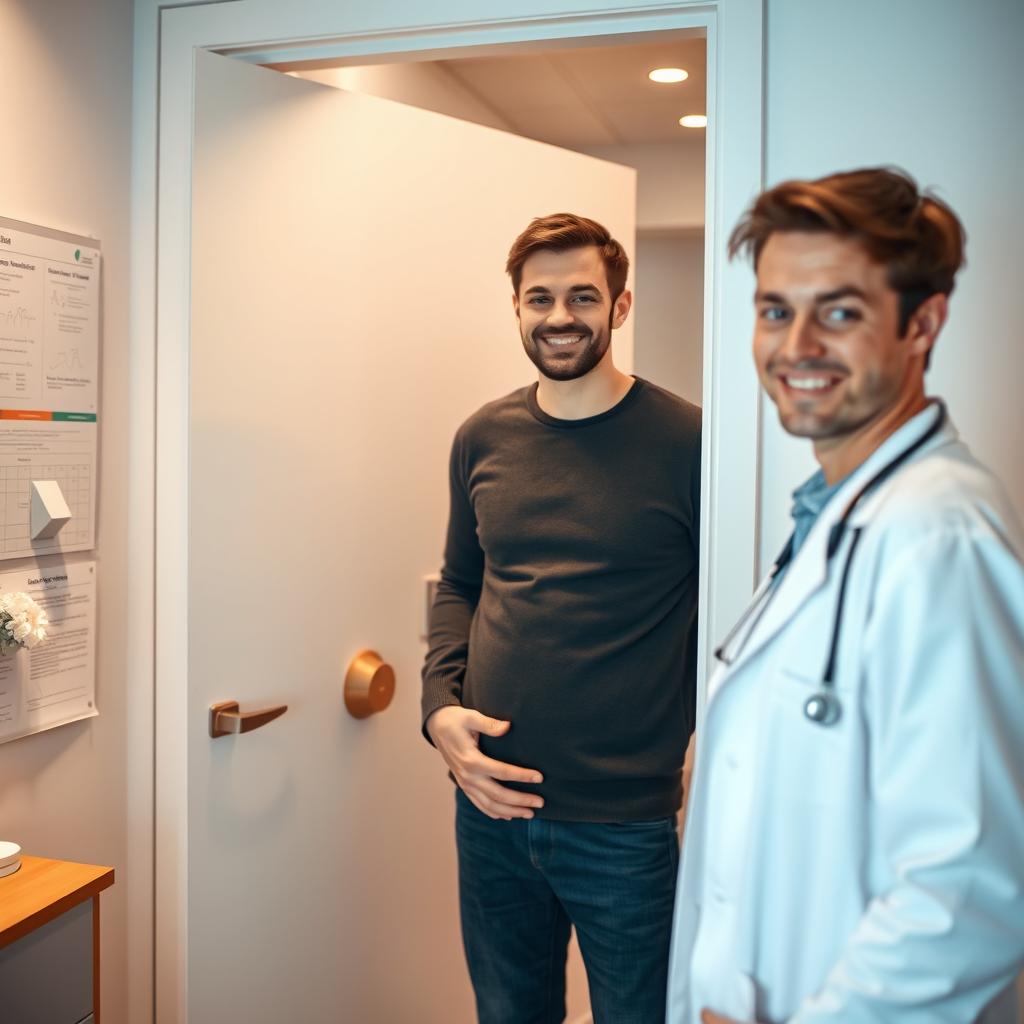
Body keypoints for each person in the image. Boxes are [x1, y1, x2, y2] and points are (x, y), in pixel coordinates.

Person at [667, 168, 1024, 1024]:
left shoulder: (937, 539)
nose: (795, 347)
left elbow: (967, 891)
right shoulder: (836, 513)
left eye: (840, 311)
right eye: (775, 310)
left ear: (922, 323)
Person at [422, 212, 702, 1024]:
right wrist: (438, 709)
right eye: (538, 297)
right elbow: (458, 585)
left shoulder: (688, 443)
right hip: (490, 802)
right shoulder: (483, 437)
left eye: (583, 295)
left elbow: (734, 622)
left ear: (619, 306)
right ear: (514, 307)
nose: (559, 316)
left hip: (624, 824)